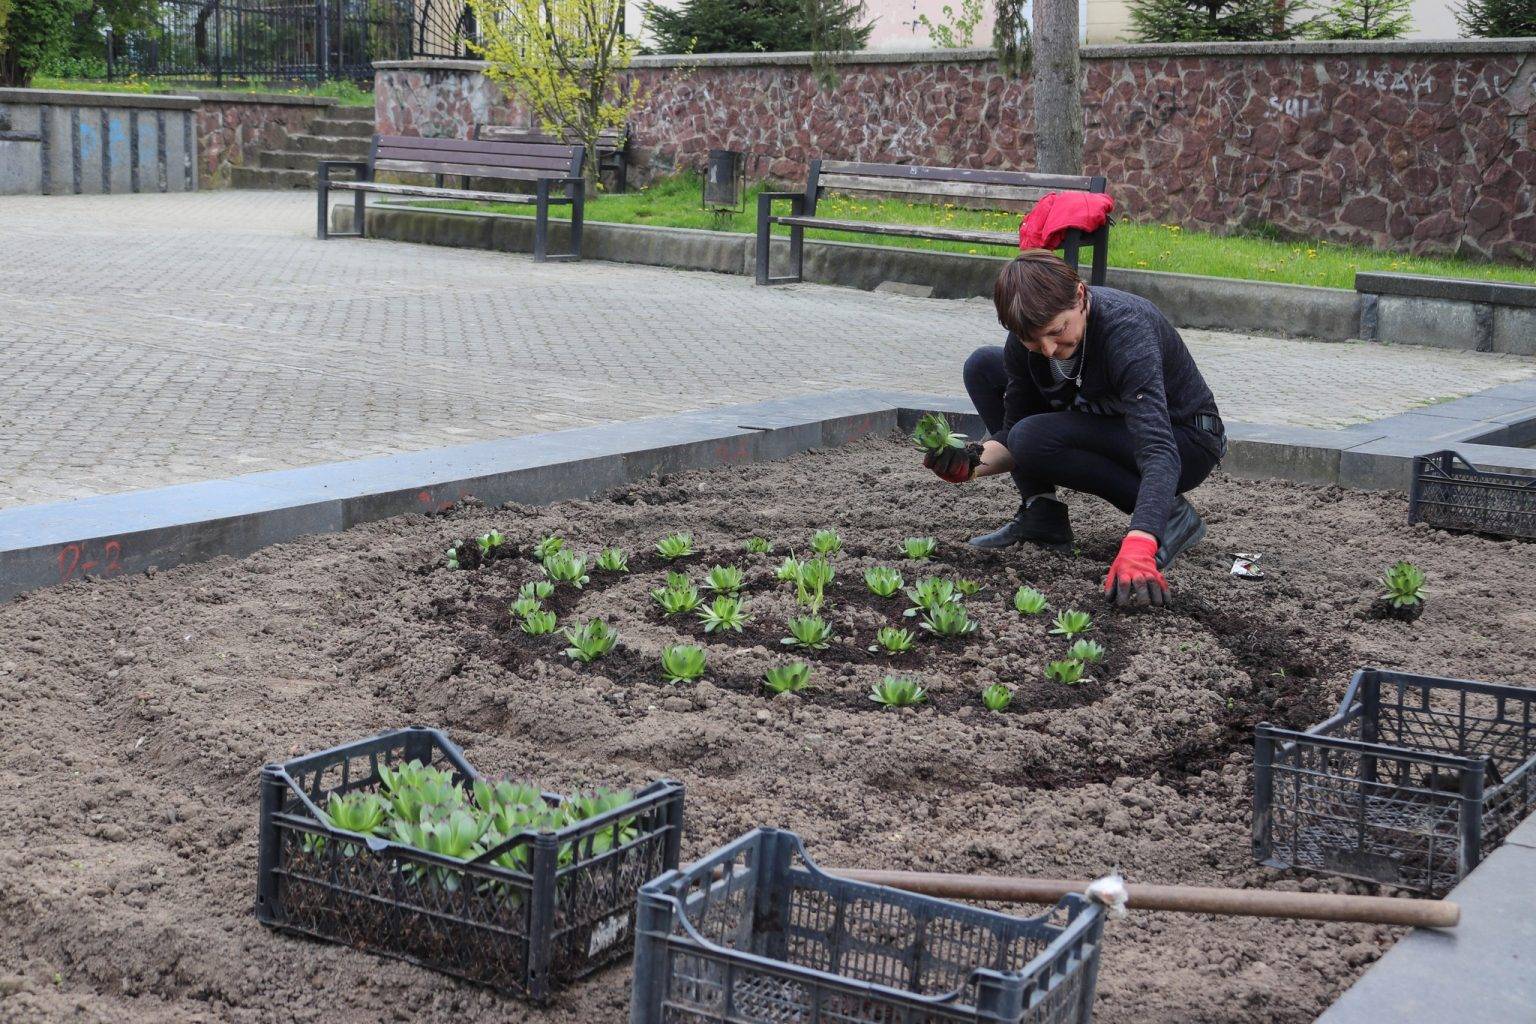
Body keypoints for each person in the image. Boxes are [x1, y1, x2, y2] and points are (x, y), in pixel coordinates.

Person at [925, 249, 1226, 607]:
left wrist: (1141, 540)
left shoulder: (1126, 329)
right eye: (1033, 340)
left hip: (1185, 440)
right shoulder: (1028, 342)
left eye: (1058, 331)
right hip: (1110, 425)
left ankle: (1171, 516)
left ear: (1080, 296)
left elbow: (1158, 448)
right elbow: (1012, 435)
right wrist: (970, 464)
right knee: (983, 367)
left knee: (1032, 437)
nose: (1048, 349)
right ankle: (1042, 514)